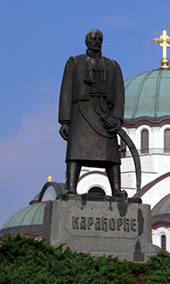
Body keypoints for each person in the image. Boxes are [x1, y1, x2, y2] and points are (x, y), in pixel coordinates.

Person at [59, 28, 126, 198]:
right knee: (76, 151)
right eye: (93, 39)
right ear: (86, 41)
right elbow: (66, 92)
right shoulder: (75, 62)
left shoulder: (112, 65)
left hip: (105, 114)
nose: (96, 41)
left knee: (111, 154)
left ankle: (116, 189)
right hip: (81, 112)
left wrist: (117, 118)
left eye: (99, 39)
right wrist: (64, 121)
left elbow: (119, 95)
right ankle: (71, 189)